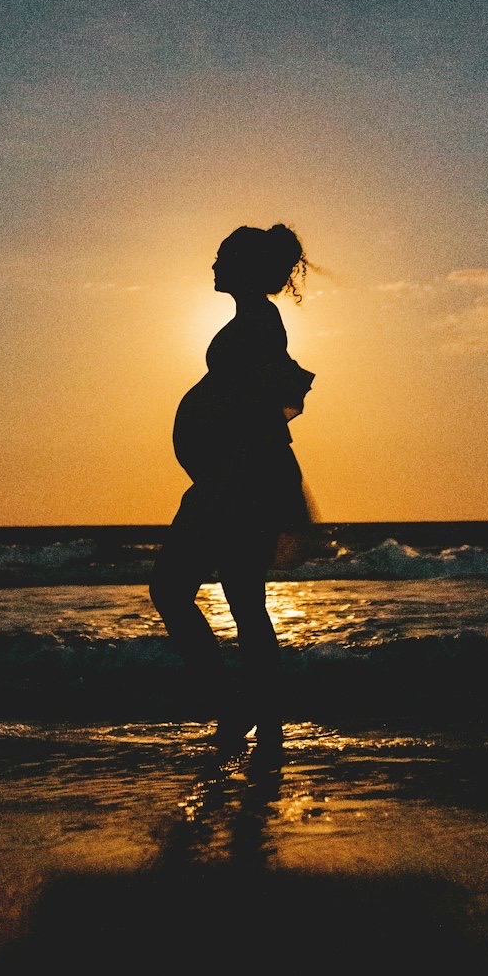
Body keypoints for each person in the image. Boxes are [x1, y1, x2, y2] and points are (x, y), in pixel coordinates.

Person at [150, 223, 316, 751]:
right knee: (243, 603)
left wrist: (227, 466)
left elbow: (259, 404)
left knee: (174, 591)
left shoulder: (261, 325)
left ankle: (234, 707)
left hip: (236, 482)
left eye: (222, 258)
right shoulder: (253, 321)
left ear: (242, 267)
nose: (214, 266)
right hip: (235, 480)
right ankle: (259, 720)